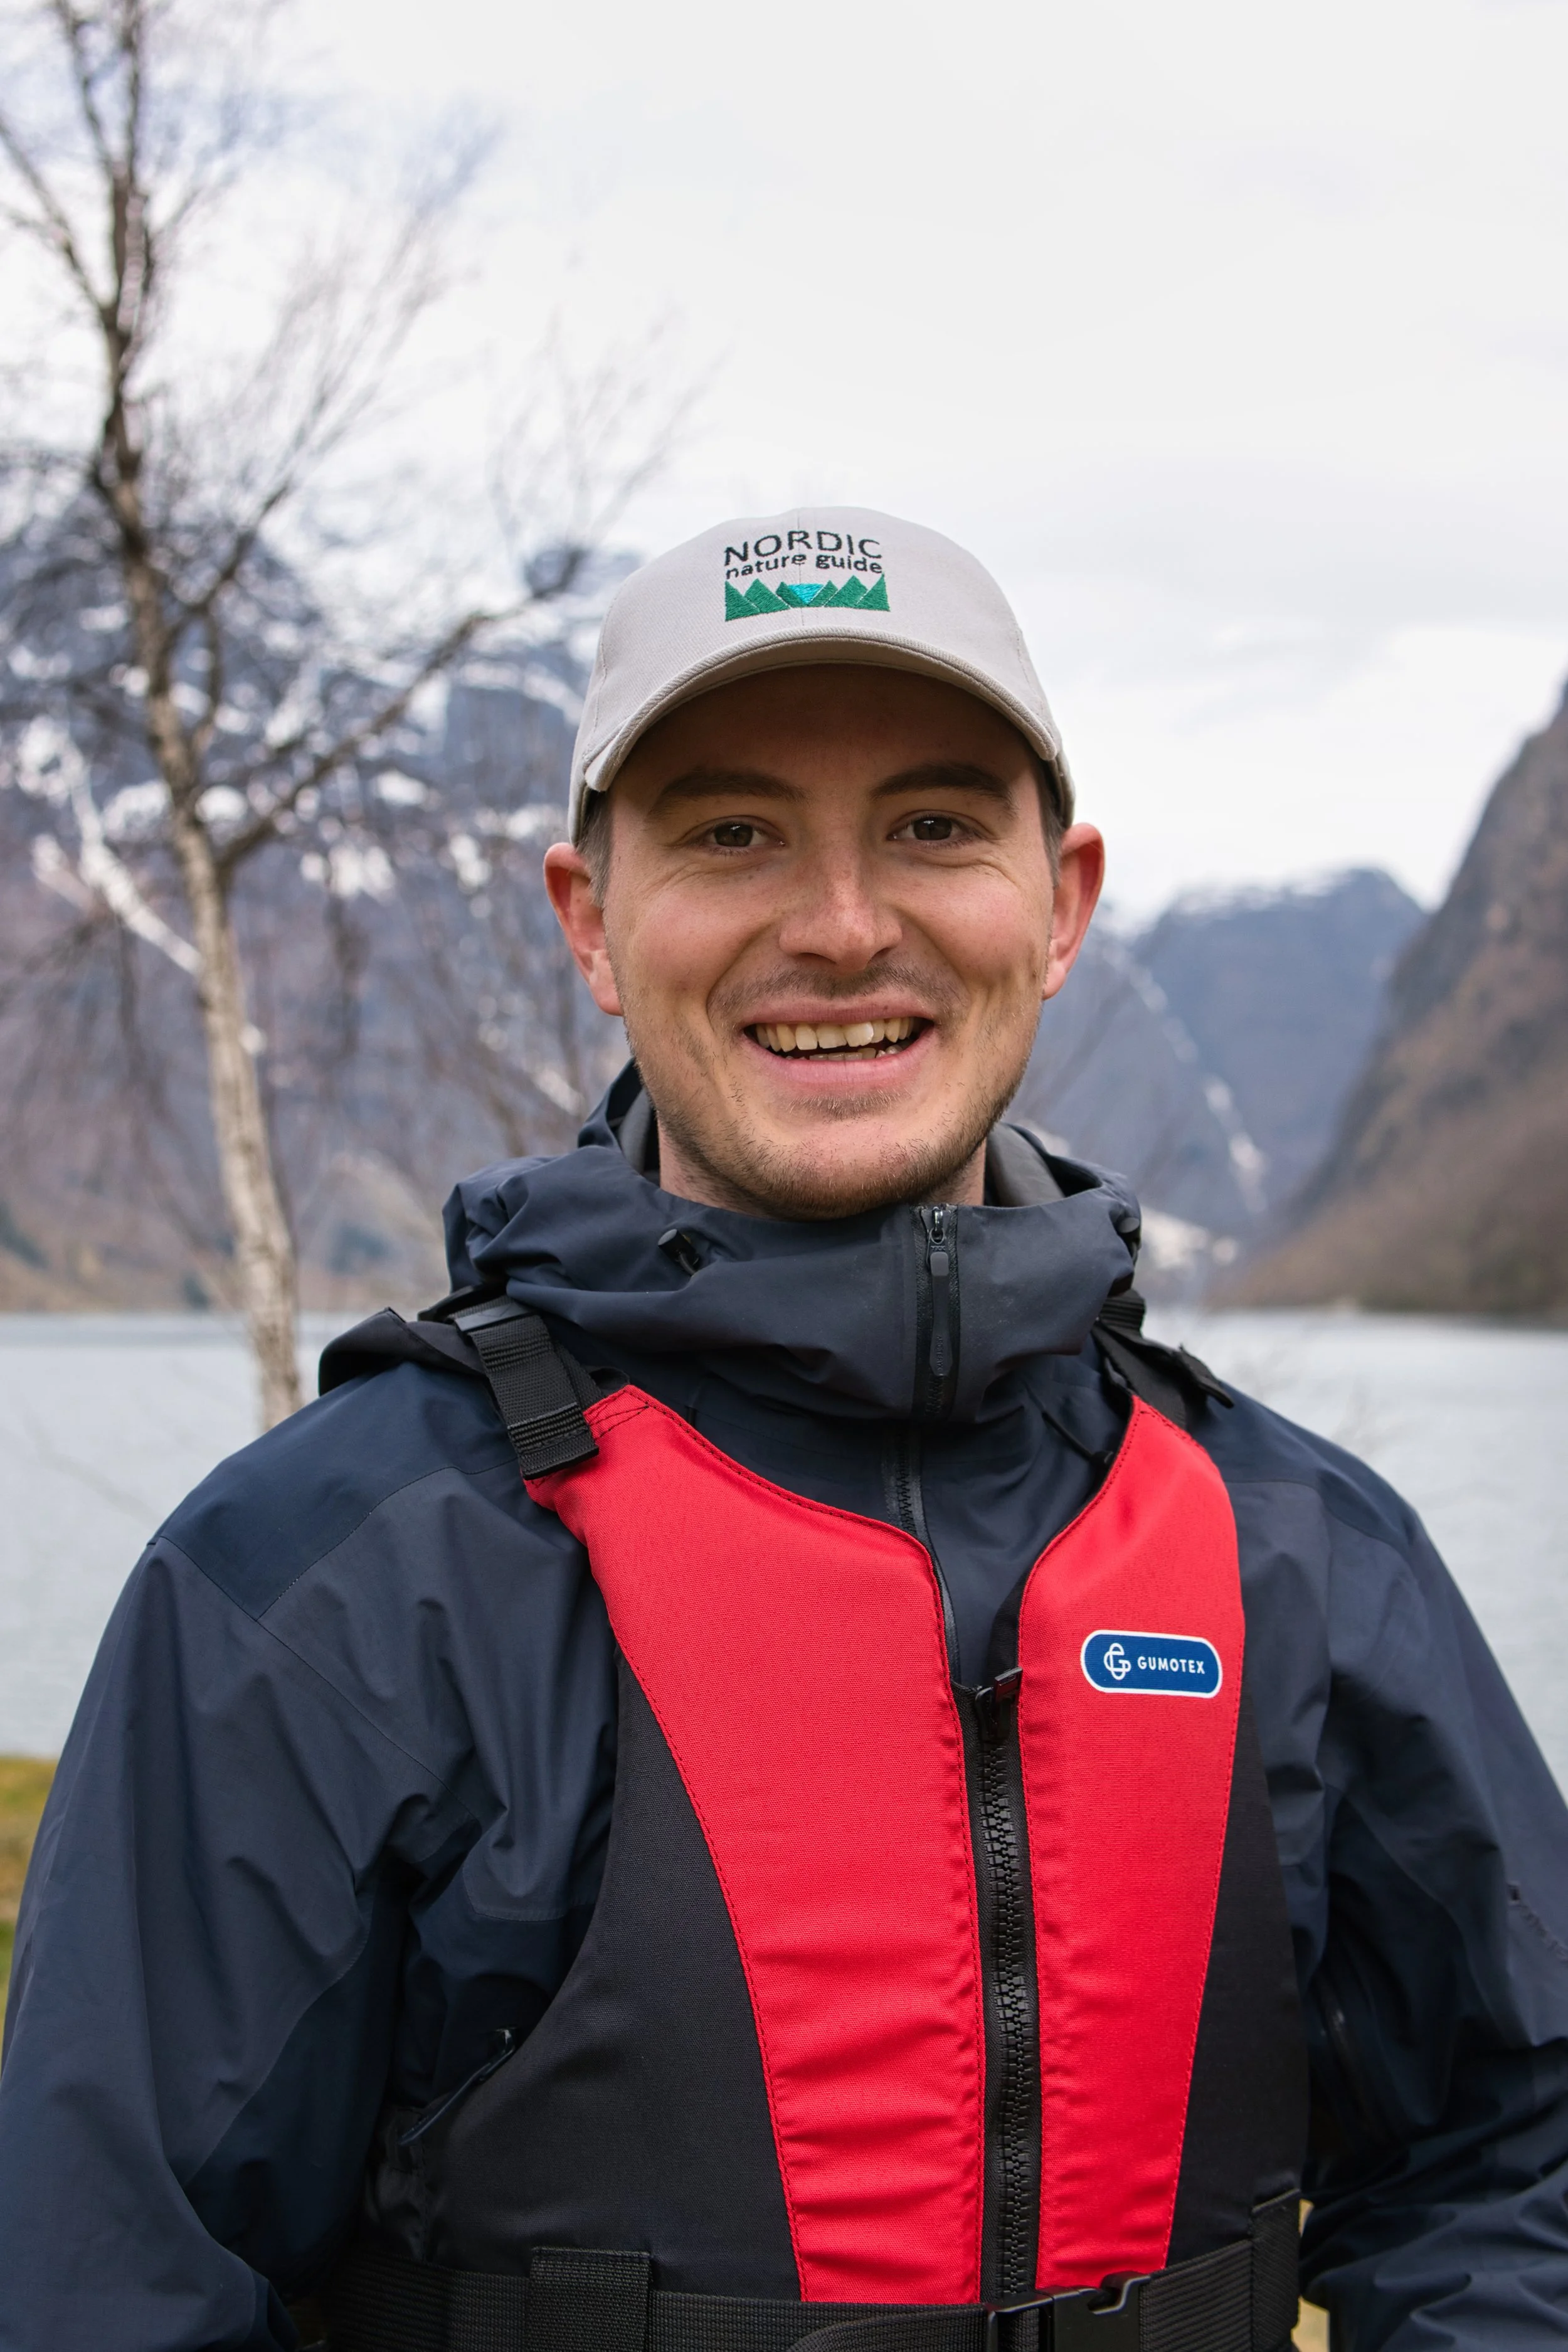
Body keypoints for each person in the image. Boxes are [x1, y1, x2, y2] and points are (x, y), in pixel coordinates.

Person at [1, 510, 1565, 2352]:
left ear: (1057, 903)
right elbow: (106, 2282)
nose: (840, 926)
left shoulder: (1302, 1556)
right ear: (590, 919)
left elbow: (1515, 2153)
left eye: (931, 825)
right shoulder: (322, 1579)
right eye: (733, 830)